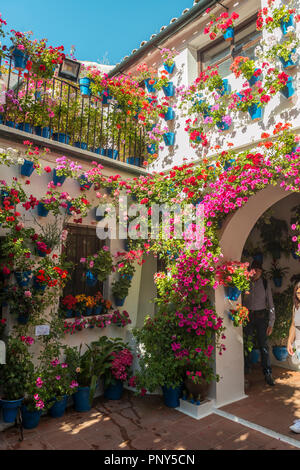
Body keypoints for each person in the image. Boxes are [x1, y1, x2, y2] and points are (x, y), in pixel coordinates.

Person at [243, 259, 275, 386]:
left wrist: (271, 323)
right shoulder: (245, 283)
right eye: (254, 270)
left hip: (261, 318)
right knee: (246, 345)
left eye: (259, 271)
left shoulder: (266, 284)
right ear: (251, 270)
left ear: (261, 272)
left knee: (264, 346)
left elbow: (271, 304)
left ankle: (267, 373)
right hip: (248, 317)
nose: (256, 272)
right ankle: (245, 372)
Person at [287, 282, 300, 433]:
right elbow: (293, 325)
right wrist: (289, 342)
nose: (299, 294)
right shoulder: (295, 307)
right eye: (298, 292)